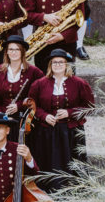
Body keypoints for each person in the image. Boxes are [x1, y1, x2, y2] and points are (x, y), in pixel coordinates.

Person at [28, 48, 94, 192]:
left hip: (70, 131)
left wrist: (69, 113)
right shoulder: (39, 84)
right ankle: (47, 189)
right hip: (46, 131)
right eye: (54, 62)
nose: (57, 65)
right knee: (48, 159)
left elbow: (89, 107)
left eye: (61, 62)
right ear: (50, 65)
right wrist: (44, 116)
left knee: (70, 160)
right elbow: (31, 106)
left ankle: (72, 189)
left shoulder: (79, 83)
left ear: (67, 65)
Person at [0, 36, 43, 140]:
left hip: (25, 119)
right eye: (11, 49)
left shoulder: (34, 72)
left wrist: (19, 106)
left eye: (17, 49)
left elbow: (39, 97)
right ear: (7, 52)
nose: (13, 52)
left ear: (22, 52)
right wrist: (0, 114)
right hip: (3, 119)